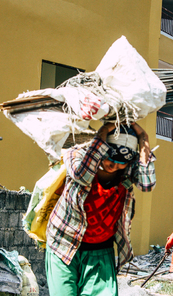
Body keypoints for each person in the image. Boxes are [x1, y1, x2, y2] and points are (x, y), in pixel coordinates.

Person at [45, 122, 156, 296]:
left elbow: (147, 184)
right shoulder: (77, 154)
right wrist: (103, 132)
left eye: (121, 163)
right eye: (110, 159)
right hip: (64, 246)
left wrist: (144, 140)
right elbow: (81, 175)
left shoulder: (128, 171)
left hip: (100, 251)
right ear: (101, 147)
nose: (114, 166)